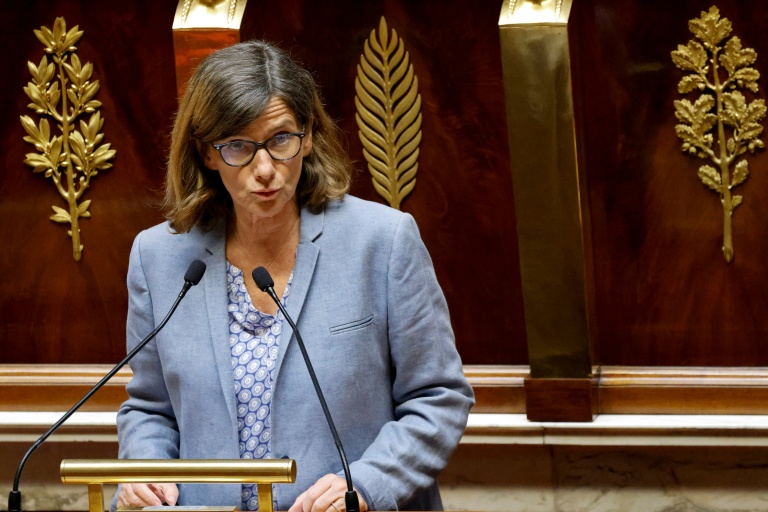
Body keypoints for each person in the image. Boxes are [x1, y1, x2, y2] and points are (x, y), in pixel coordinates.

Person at [114, 39, 474, 512]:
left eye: (281, 139)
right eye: (239, 146)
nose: (264, 169)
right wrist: (145, 471)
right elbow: (150, 407)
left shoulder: (382, 241)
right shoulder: (159, 257)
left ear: (307, 136)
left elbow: (438, 396)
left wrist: (365, 485)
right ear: (207, 153)